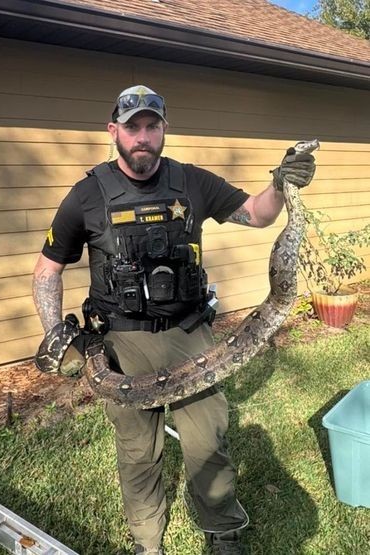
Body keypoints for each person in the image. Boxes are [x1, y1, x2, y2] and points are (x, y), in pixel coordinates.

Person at [32, 85, 315, 555]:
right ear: (114, 131)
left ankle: (222, 534)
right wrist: (57, 338)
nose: (142, 136)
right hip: (121, 344)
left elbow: (257, 215)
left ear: (164, 129)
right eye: (132, 127)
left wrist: (282, 182)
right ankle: (148, 543)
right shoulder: (86, 195)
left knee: (208, 442)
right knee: (139, 453)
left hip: (191, 336)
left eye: (152, 125)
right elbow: (47, 270)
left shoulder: (192, 182)